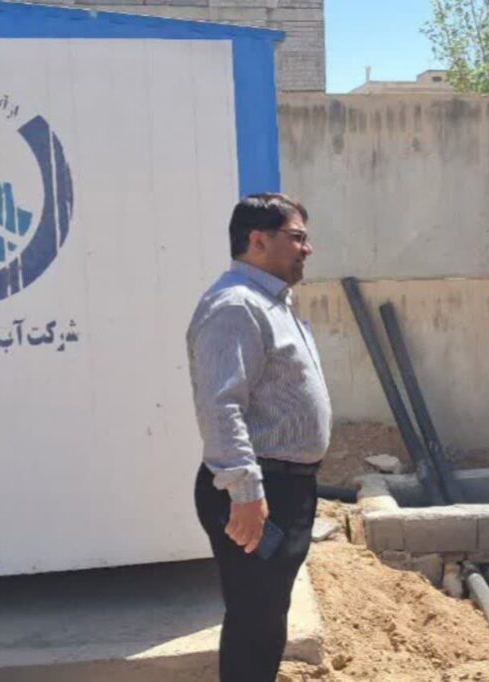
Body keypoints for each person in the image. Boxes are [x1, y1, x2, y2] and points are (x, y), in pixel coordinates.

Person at [187, 192, 332, 682]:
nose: (307, 248)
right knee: (255, 619)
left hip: (285, 488)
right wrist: (245, 493)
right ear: (258, 240)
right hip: (257, 493)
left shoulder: (272, 303)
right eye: (297, 237)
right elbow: (221, 405)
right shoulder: (235, 306)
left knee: (267, 614)